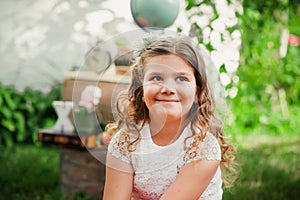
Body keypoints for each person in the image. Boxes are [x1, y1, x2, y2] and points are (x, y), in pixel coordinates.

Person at [103, 36, 237, 200]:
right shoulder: (125, 143)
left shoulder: (203, 147)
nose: (167, 89)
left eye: (181, 78)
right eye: (157, 78)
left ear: (197, 92)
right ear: (141, 90)